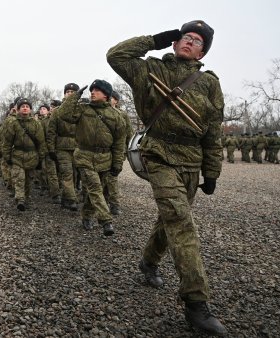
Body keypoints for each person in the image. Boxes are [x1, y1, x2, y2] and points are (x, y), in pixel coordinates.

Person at [107, 20, 227, 335]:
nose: (189, 41)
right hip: (158, 153)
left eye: (197, 40)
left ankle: (148, 262)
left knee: (169, 219)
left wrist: (212, 170)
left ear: (203, 51)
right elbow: (115, 56)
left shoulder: (209, 83)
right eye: (185, 36)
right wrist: (155, 39)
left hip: (191, 161)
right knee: (181, 222)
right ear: (175, 42)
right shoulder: (150, 71)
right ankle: (196, 303)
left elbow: (213, 132)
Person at [57, 80, 126, 235]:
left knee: (94, 191)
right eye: (92, 90)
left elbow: (119, 142)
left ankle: (87, 216)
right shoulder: (83, 109)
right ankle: (106, 221)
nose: (93, 92)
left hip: (105, 158)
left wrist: (117, 163)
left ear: (106, 95)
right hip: (84, 156)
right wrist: (75, 96)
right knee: (94, 188)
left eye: (98, 90)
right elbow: (63, 114)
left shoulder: (116, 116)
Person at [1, 98, 46, 211]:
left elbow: (41, 142)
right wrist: (7, 157)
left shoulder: (36, 124)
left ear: (30, 109)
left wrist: (41, 158)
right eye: (22, 106)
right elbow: (7, 142)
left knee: (27, 181)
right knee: (19, 178)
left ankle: (25, 198)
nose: (25, 108)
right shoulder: (14, 123)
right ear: (18, 109)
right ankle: (20, 199)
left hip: (32, 156)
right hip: (17, 156)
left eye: (27, 106)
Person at [47, 84, 80, 211]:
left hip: (78, 147)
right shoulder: (57, 111)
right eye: (68, 91)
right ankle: (72, 200)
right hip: (62, 147)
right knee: (67, 173)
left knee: (76, 174)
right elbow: (51, 132)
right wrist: (51, 149)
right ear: (64, 94)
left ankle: (66, 198)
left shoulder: (81, 110)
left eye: (73, 91)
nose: (70, 93)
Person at [103, 90, 133, 215]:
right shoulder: (101, 112)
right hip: (104, 150)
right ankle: (104, 200)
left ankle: (114, 204)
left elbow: (128, 133)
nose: (109, 100)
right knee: (104, 176)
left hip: (118, 150)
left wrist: (127, 149)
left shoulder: (122, 114)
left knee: (112, 177)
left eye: (111, 98)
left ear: (116, 100)